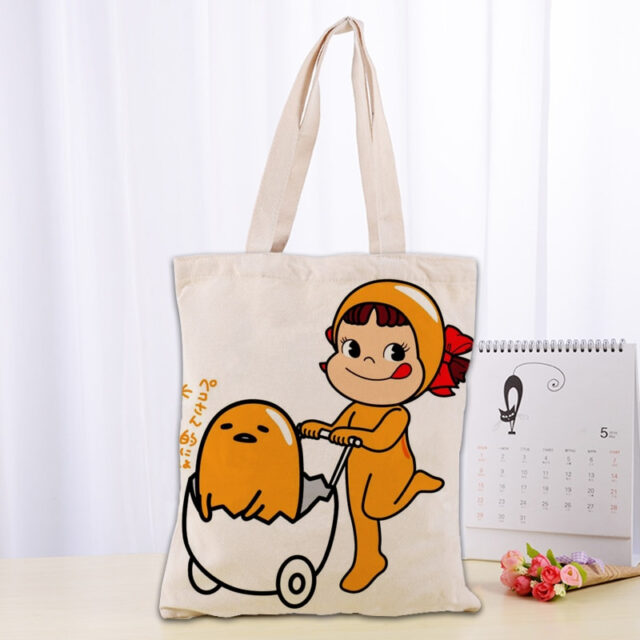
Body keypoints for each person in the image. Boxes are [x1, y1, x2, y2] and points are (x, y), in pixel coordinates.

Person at [301, 279, 472, 592]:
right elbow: (338, 428)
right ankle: (369, 558)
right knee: (358, 514)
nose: (368, 363)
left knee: (376, 509)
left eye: (394, 353)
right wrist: (321, 430)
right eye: (352, 349)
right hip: (356, 466)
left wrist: (344, 433)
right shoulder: (356, 407)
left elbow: (380, 440)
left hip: (392, 471)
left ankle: (414, 483)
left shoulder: (397, 414)